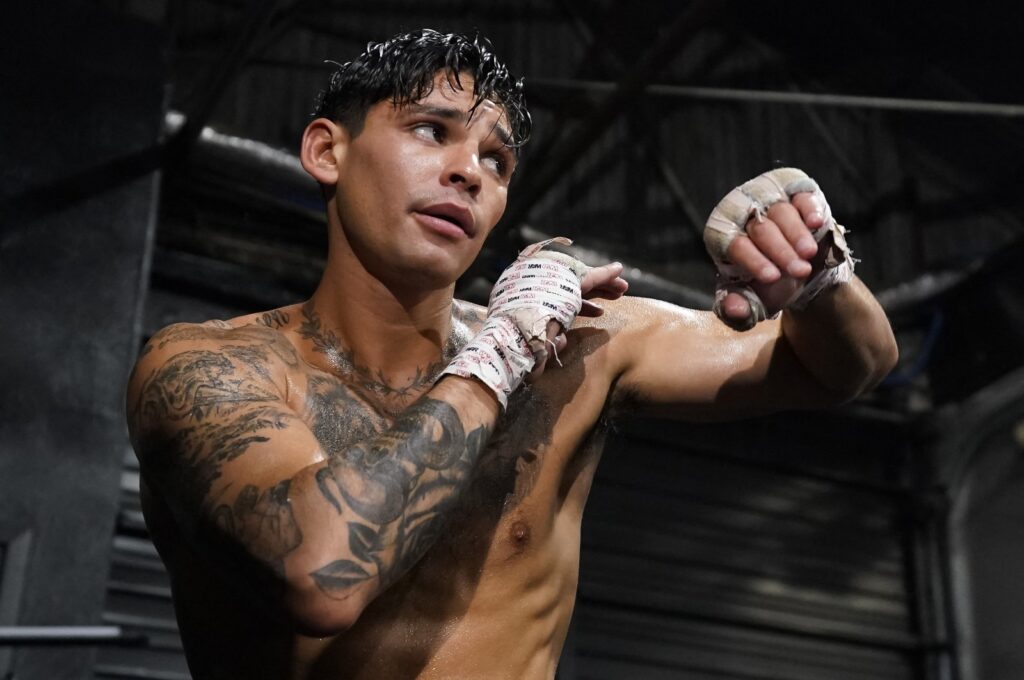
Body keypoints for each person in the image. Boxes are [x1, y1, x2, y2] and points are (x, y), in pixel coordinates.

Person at [126, 29, 897, 680]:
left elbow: (841, 368)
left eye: (496, 161)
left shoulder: (583, 347)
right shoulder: (205, 371)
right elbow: (323, 579)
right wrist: (504, 348)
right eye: (432, 131)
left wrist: (816, 275)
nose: (469, 171)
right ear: (328, 151)